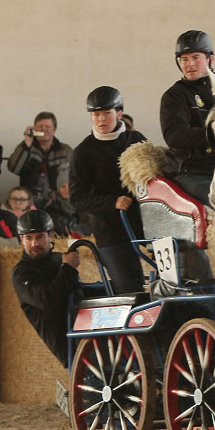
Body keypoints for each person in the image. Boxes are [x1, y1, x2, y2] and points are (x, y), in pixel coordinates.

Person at [159, 29, 215, 257]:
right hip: (192, 172)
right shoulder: (175, 96)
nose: (189, 64)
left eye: (195, 58)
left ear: (210, 59)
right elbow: (175, 136)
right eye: (183, 59)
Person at [70, 86, 146, 293]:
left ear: (119, 114)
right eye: (96, 114)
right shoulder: (83, 152)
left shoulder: (136, 140)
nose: (101, 119)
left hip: (145, 224)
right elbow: (77, 198)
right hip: (110, 231)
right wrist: (112, 203)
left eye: (106, 113)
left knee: (174, 278)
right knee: (131, 288)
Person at [12, 210, 80, 367]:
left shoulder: (59, 259)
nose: (34, 244)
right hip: (67, 341)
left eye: (40, 237)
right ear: (21, 240)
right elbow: (47, 299)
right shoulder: (21, 273)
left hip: (85, 327)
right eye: (28, 238)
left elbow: (77, 288)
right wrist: (68, 269)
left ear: (51, 236)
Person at [7, 111, 73, 207]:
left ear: (54, 129)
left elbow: (71, 177)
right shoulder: (26, 146)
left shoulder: (65, 150)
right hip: (28, 200)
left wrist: (57, 197)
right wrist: (27, 144)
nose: (43, 129)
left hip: (57, 201)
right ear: (34, 129)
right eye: (40, 126)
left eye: (47, 126)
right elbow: (14, 168)